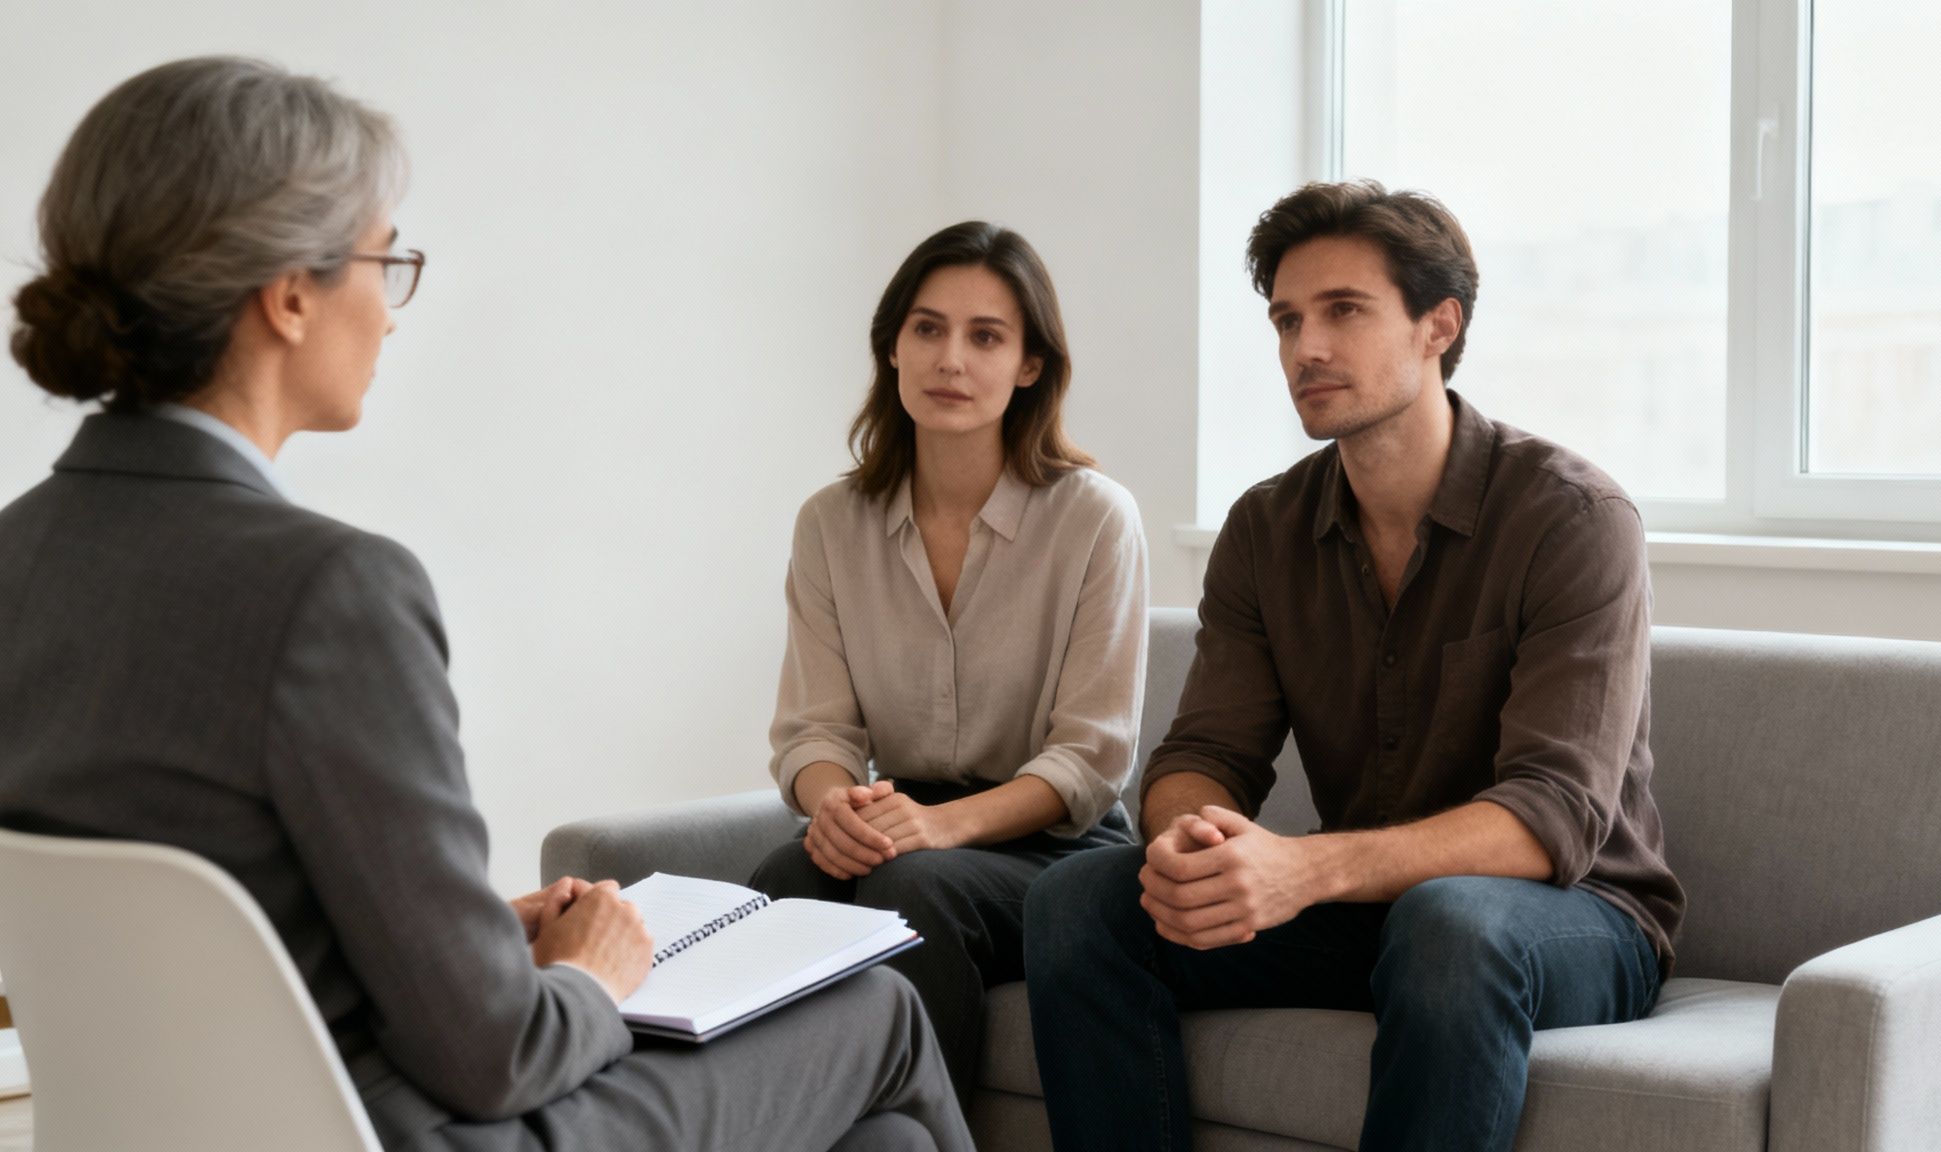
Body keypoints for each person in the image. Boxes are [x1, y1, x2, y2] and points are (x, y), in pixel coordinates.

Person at [0, 56, 969, 1152]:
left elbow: (220, 911)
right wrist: (591, 973)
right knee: (876, 1008)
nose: (392, 310)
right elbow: (499, 1057)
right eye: (384, 260)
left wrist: (464, 938)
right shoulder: (329, 593)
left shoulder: (18, 556)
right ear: (288, 295)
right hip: (419, 1131)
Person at [1022, 180, 1686, 1151]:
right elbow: (1207, 746)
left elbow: (1551, 817)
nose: (1305, 348)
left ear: (1437, 325)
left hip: (1572, 915)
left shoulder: (1570, 517)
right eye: (1287, 320)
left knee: (1448, 924)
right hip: (1371, 908)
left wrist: (1300, 866)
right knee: (1081, 901)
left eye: (1342, 311)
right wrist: (1189, 845)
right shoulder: (1264, 527)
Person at [749, 220, 1149, 1099]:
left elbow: (1089, 763)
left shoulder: (1094, 518)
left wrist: (941, 828)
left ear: (1031, 365)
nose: (950, 360)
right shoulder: (831, 522)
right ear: (892, 349)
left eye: (986, 337)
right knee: (784, 873)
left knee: (919, 882)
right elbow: (814, 730)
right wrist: (836, 809)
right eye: (927, 329)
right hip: (901, 821)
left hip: (1056, 845)